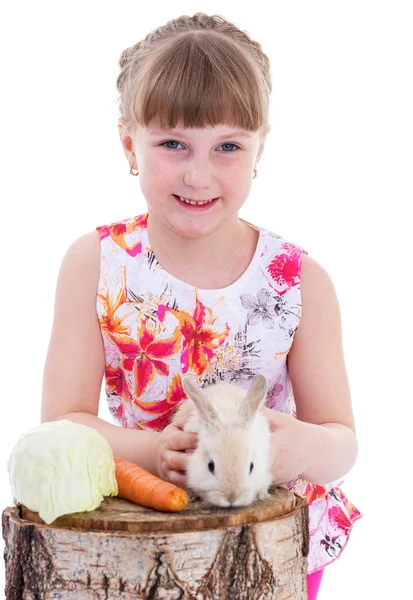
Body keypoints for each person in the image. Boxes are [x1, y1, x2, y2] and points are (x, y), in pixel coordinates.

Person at [41, 12, 362, 599]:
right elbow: (64, 423)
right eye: (172, 143)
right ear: (127, 143)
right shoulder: (97, 263)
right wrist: (150, 451)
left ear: (260, 148)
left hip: (267, 541)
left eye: (227, 146)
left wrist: (294, 444)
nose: (198, 173)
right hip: (145, 542)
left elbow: (342, 442)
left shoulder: (298, 281)